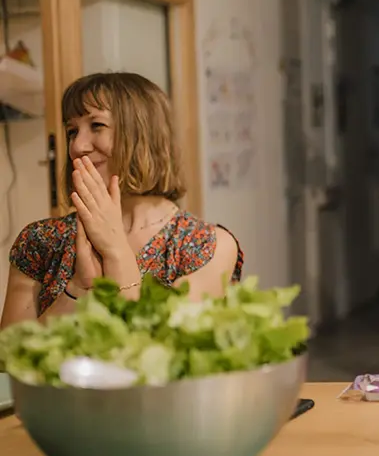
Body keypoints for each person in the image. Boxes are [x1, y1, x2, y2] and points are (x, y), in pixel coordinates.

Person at [0, 71, 244, 327]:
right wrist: (77, 290)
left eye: (97, 126)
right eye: (72, 131)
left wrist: (115, 250)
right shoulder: (41, 241)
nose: (77, 147)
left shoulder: (207, 246)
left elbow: (169, 350)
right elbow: (10, 356)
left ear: (144, 135)